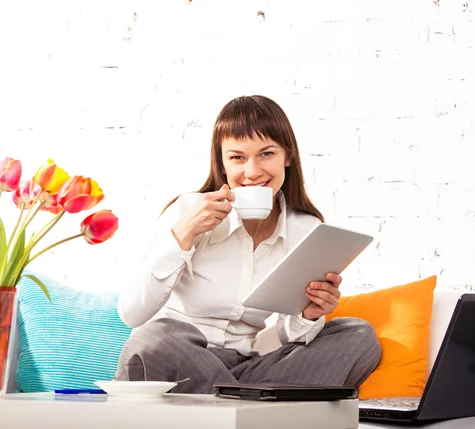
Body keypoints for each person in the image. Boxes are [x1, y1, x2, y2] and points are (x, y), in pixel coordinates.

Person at [115, 95, 381, 394]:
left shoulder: (306, 229)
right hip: (182, 358)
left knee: (358, 335)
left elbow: (285, 335)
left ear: (288, 156)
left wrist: (309, 314)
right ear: (222, 163)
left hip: (249, 366)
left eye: (266, 154)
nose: (253, 172)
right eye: (238, 157)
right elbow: (132, 314)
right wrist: (184, 234)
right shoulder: (188, 210)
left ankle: (233, 400)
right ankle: (252, 404)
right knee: (154, 340)